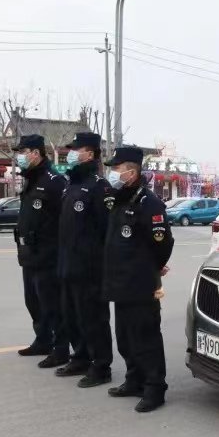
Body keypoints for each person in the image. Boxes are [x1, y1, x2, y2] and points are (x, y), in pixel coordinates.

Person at [102, 146, 174, 413]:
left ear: (131, 172)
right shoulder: (120, 198)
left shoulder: (149, 203)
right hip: (120, 282)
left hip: (141, 283)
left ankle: (155, 388)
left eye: (117, 168)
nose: (113, 173)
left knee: (146, 336)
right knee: (125, 336)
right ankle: (134, 380)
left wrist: (154, 267)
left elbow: (163, 242)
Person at [53, 132, 116, 388]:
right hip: (68, 264)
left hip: (89, 268)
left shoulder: (99, 187)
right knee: (72, 316)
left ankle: (101, 366)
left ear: (89, 154)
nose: (71, 154)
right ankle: (80, 357)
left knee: (94, 319)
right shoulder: (72, 184)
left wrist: (101, 265)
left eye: (76, 149)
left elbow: (107, 230)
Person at [12, 134, 70, 367]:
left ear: (36, 153)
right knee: (33, 301)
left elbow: (64, 219)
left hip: (48, 254)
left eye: (23, 152)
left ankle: (61, 348)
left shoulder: (54, 181)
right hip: (29, 253)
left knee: (52, 304)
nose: (20, 157)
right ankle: (43, 340)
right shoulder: (30, 179)